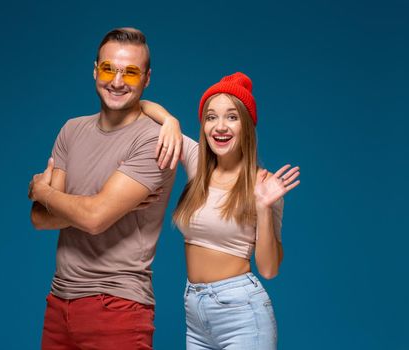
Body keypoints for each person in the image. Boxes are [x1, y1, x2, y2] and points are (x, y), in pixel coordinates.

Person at [27, 28, 176, 350]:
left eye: (131, 72)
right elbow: (40, 219)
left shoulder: (153, 140)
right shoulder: (71, 129)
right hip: (59, 301)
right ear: (95, 69)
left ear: (147, 78)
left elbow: (93, 219)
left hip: (117, 306)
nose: (117, 82)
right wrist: (90, 207)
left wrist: (45, 192)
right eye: (109, 69)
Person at [141, 72, 300, 349]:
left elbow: (269, 269)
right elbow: (142, 106)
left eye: (232, 117)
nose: (220, 126)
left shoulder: (263, 184)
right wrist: (171, 121)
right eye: (211, 117)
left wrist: (263, 207)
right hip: (195, 311)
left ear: (247, 125)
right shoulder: (196, 163)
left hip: (243, 312)